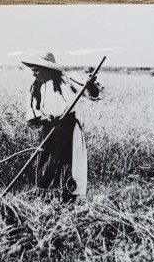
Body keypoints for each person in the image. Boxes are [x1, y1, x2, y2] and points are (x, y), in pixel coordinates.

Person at [21, 52, 99, 203]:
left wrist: (90, 84)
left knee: (69, 163)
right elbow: (32, 116)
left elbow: (93, 94)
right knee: (47, 163)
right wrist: (45, 118)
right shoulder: (35, 89)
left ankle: (69, 198)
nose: (34, 74)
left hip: (69, 129)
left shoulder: (69, 81)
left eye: (36, 70)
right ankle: (47, 198)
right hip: (49, 129)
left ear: (47, 69)